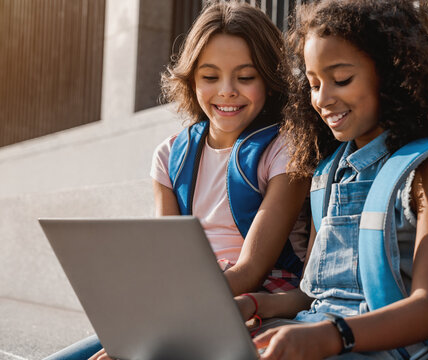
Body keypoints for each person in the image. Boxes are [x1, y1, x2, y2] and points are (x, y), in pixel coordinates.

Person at [44, 2, 310, 360]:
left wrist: (163, 318)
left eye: (245, 77)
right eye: (210, 76)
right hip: (183, 301)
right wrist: (142, 320)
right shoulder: (169, 156)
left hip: (255, 303)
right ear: (191, 79)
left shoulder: (285, 148)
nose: (227, 91)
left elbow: (250, 270)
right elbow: (166, 258)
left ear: (269, 78)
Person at [235, 0, 428, 359]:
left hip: (405, 349)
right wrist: (254, 304)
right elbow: (314, 294)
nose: (323, 98)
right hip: (322, 331)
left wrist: (329, 336)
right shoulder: (327, 173)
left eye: (341, 79)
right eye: (312, 84)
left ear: (392, 74)